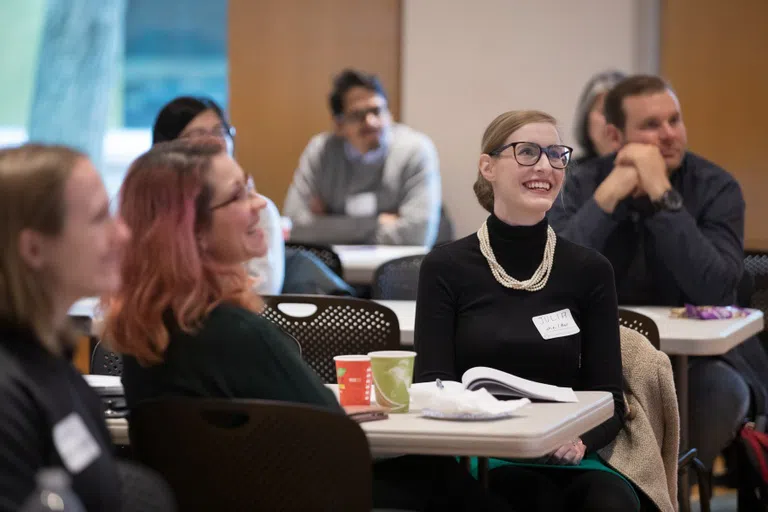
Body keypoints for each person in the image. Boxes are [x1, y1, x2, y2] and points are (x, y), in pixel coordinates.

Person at [102, 138, 513, 511]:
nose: (260, 203)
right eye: (238, 195)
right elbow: (332, 436)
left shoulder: (146, 333)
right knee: (445, 480)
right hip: (306, 499)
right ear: (192, 232)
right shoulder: (235, 332)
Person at [414, 110, 641, 511]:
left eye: (556, 155)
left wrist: (580, 440)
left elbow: (609, 397)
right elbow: (432, 386)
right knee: (529, 499)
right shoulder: (445, 267)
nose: (545, 166)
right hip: (482, 453)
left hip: (570, 454)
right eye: (527, 152)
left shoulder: (589, 270)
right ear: (488, 166)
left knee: (611, 503)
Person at [548, 74, 762, 474]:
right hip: (596, 356)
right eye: (651, 125)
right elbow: (553, 274)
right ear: (614, 135)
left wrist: (664, 197)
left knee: (723, 391)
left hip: (699, 364)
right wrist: (606, 199)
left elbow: (715, 288)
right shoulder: (579, 185)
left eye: (674, 120)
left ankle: (666, 485)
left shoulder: (716, 187)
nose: (668, 134)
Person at [0, 144, 130, 511]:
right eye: (100, 217)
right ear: (34, 249)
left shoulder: (49, 360)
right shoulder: (8, 393)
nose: (121, 234)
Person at [152, 96, 353, 296]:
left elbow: (262, 293)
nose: (216, 142)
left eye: (220, 131)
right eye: (198, 135)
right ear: (166, 150)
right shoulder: (146, 211)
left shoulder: (256, 211)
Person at [284, 68, 442, 246]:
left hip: (397, 268)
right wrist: (378, 223)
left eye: (377, 111)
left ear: (390, 114)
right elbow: (293, 225)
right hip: (336, 265)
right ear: (339, 125)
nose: (371, 122)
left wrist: (327, 224)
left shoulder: (415, 150)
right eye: (357, 115)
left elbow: (417, 234)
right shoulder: (321, 152)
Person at [573, 70, 626, 165]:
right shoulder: (568, 173)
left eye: (619, 113)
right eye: (605, 112)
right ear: (586, 120)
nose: (612, 122)